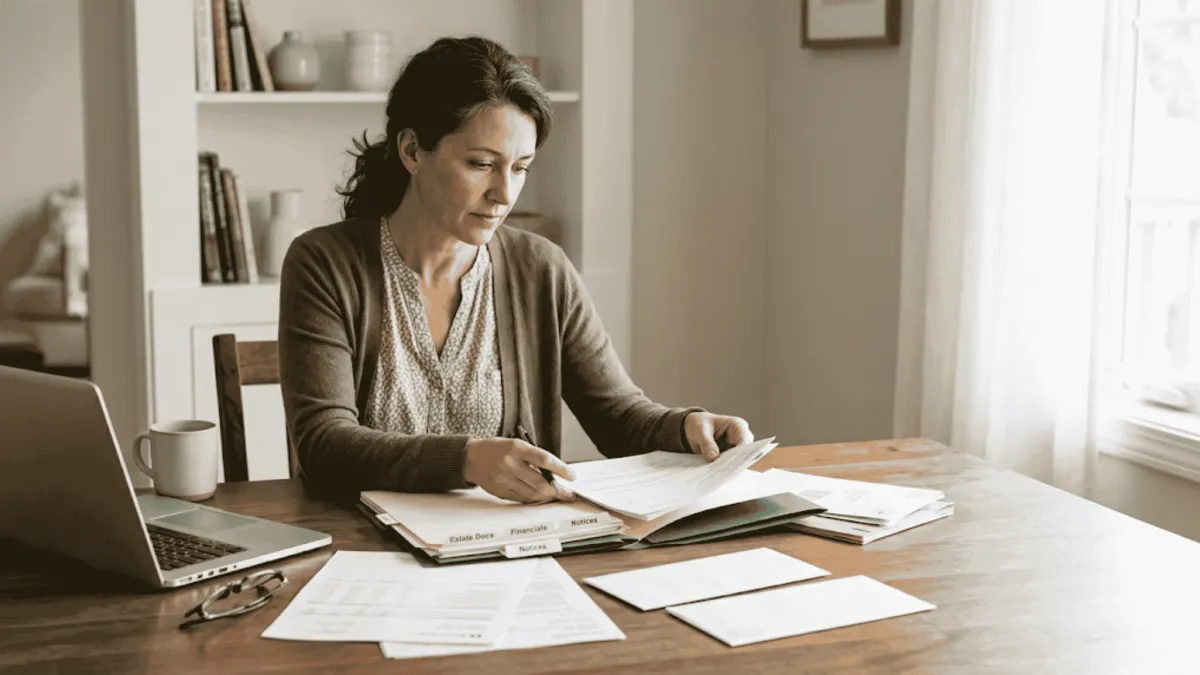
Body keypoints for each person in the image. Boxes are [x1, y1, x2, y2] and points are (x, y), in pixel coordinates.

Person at [278, 36, 754, 506]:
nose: (504, 194)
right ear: (411, 151)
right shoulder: (324, 264)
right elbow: (325, 444)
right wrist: (466, 459)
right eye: (481, 164)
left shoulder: (541, 269)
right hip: (361, 554)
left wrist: (684, 426)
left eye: (520, 168)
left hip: (508, 553)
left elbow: (617, 417)